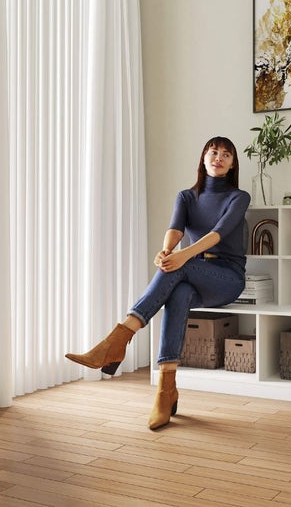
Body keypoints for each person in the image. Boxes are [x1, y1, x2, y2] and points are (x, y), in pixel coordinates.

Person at [65, 136, 250, 430]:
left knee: (178, 271)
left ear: (232, 164)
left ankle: (118, 339)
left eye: (226, 155)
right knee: (179, 293)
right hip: (193, 272)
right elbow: (175, 230)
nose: (219, 158)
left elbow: (218, 233)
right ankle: (165, 392)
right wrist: (166, 252)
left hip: (226, 276)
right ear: (203, 158)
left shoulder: (238, 197)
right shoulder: (186, 197)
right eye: (213, 152)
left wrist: (181, 257)